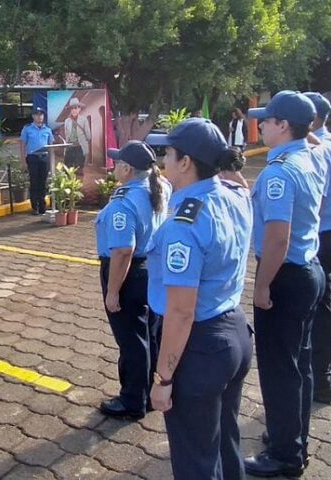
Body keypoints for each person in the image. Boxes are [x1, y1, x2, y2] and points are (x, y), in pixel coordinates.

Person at [145, 118, 253, 480]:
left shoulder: (183, 225)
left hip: (199, 345)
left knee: (196, 460)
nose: (163, 162)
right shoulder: (235, 196)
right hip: (235, 331)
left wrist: (163, 380)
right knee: (225, 441)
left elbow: (180, 311)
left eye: (168, 154)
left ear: (186, 162)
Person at [244, 91, 325, 477]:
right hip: (308, 270)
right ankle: (293, 438)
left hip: (285, 276)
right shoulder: (312, 156)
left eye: (268, 119)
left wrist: (262, 286)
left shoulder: (280, 171)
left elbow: (277, 237)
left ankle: (284, 456)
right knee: (299, 365)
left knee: (279, 370)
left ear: (283, 126)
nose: (261, 124)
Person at [95, 141, 167, 420]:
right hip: (151, 269)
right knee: (148, 333)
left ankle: (132, 400)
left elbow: (123, 250)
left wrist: (113, 291)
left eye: (117, 162)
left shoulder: (123, 202)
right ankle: (146, 393)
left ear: (126, 168)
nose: (113, 166)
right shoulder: (158, 187)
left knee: (131, 339)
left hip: (128, 273)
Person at [304, 92, 331, 404]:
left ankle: (320, 381)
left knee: (319, 313)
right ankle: (326, 374)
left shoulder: (319, 152)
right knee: (327, 309)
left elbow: (314, 204)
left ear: (312, 120)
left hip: (320, 238)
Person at [20, 107, 55, 215]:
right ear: (33, 116)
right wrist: (23, 160)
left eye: (41, 115)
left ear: (43, 116)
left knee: (43, 183)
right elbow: (22, 145)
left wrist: (52, 159)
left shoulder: (47, 130)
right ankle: (35, 206)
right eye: (37, 115)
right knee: (34, 182)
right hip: (33, 158)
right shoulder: (27, 129)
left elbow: (51, 145)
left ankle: (42, 206)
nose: (39, 117)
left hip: (44, 158)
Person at [63, 97, 91, 171]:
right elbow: (66, 135)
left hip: (80, 147)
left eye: (75, 108)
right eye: (72, 108)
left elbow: (88, 136)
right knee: (67, 169)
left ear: (79, 109)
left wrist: (84, 142)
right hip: (69, 147)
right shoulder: (67, 121)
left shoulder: (84, 120)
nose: (74, 110)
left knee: (79, 169)